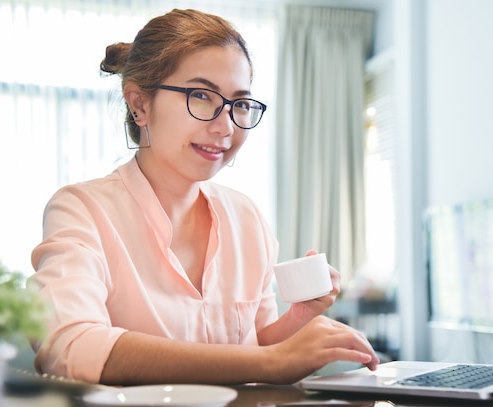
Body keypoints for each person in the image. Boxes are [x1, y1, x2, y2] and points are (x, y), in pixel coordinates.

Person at [30, 8, 379, 386]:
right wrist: (273, 363)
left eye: (240, 103)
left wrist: (296, 320)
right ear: (139, 105)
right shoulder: (82, 210)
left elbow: (253, 347)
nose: (225, 126)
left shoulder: (246, 219)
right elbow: (71, 345)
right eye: (201, 96)